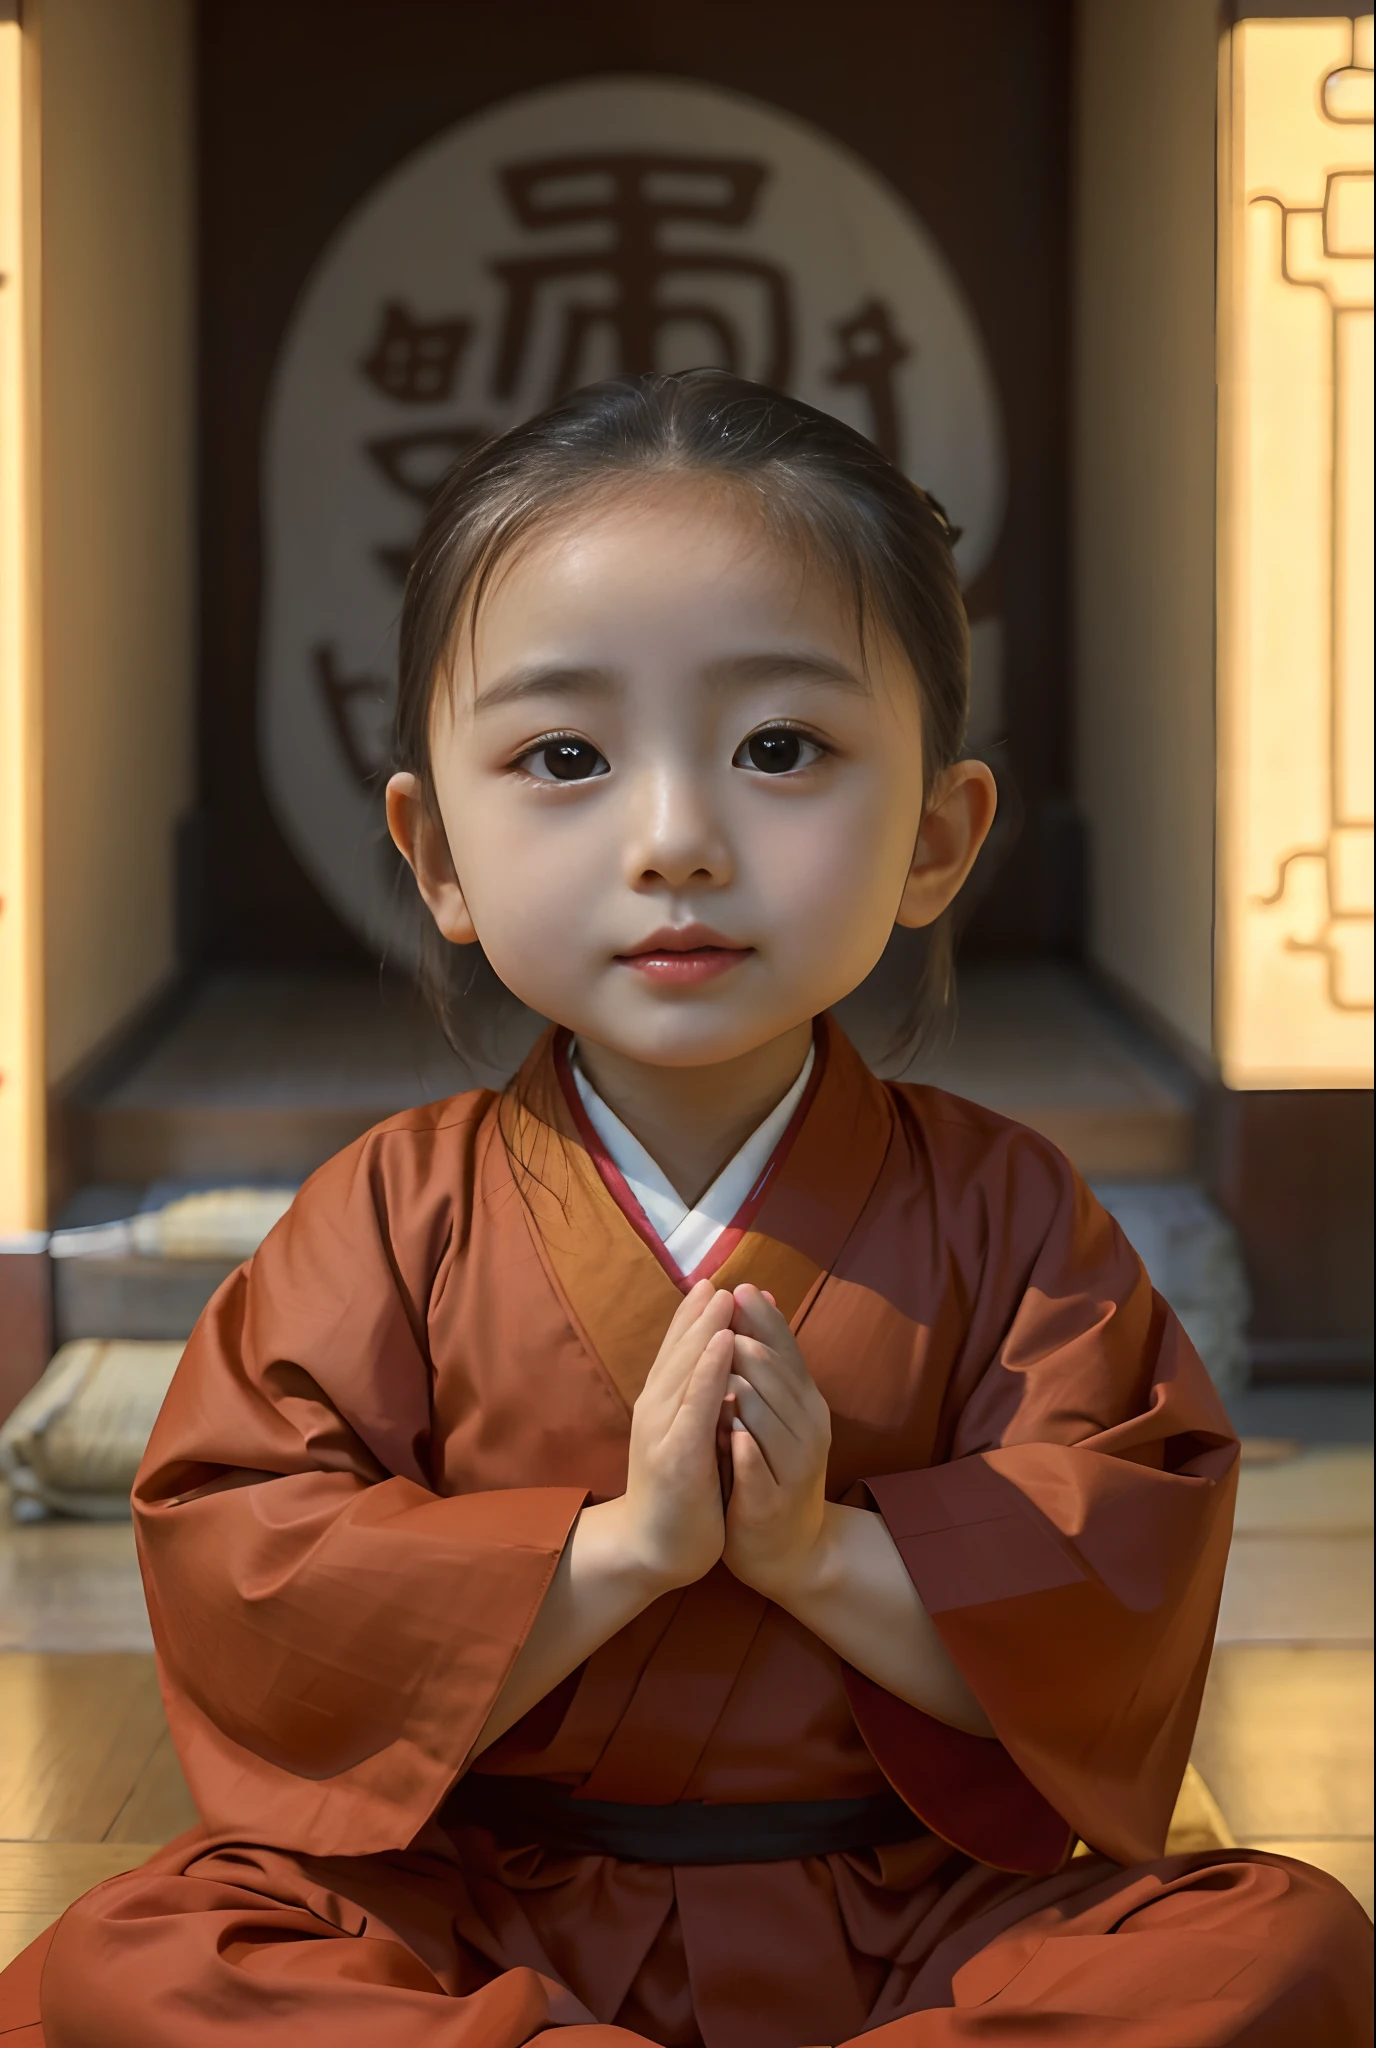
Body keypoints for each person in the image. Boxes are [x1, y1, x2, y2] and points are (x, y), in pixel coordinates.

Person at [2, 373, 1368, 2047]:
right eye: (565, 755)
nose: (675, 840)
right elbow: (257, 1592)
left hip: (914, 1906)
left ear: (939, 834)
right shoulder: (386, 1216)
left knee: (1275, 1946)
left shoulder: (1012, 1214)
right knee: (143, 1960)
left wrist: (813, 1554)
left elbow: (1111, 1606)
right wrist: (624, 1555)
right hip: (483, 1909)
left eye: (779, 748)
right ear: (436, 853)